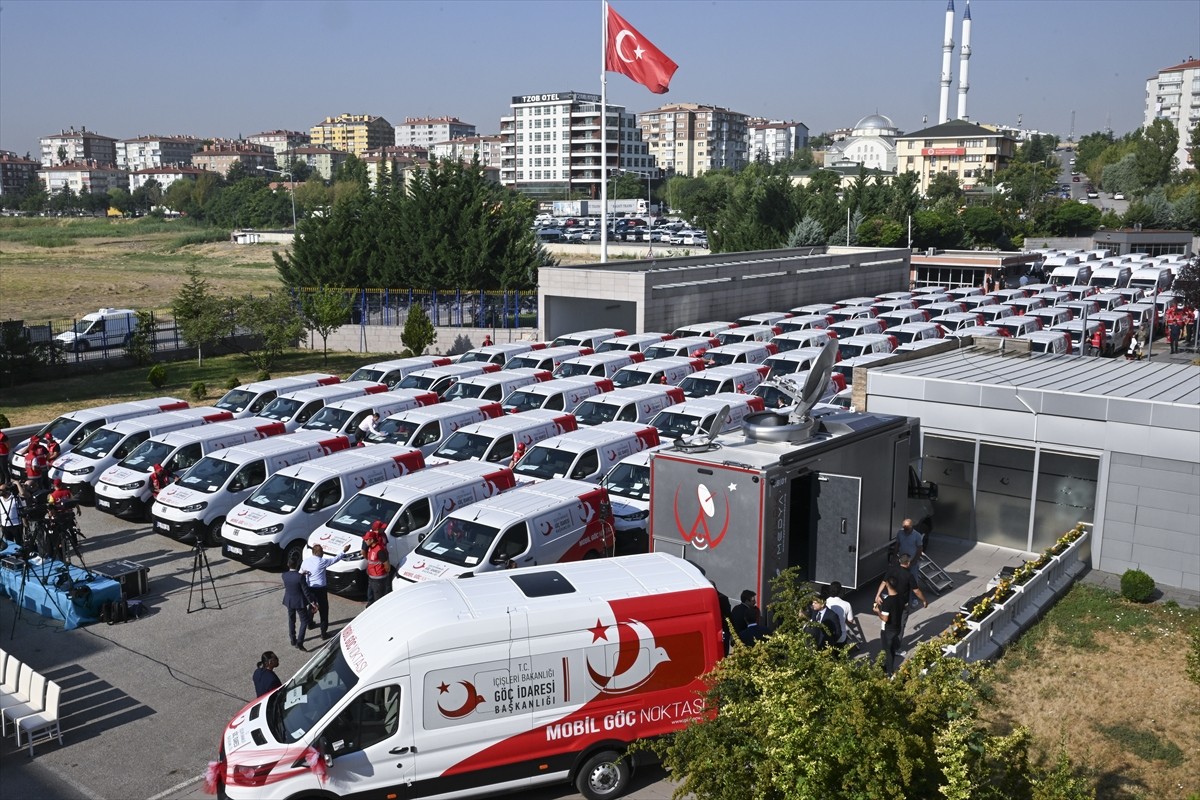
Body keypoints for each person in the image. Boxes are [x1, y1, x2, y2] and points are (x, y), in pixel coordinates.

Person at [300, 542, 351, 640]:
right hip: (321, 590)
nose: (323, 553)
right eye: (322, 551)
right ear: (319, 553)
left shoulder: (305, 561)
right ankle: (323, 633)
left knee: (311, 606)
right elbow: (335, 559)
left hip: (310, 588)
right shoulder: (322, 561)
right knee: (323, 610)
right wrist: (344, 551)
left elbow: (300, 573)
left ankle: (309, 623)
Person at [282, 552, 315, 650]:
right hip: (299, 602)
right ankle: (300, 642)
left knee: (291, 619)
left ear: (288, 564)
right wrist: (312, 602)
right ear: (297, 565)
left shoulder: (284, 575)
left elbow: (292, 579)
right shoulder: (300, 577)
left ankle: (293, 639)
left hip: (289, 600)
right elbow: (306, 591)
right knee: (304, 621)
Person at [874, 575, 904, 676]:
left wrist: (878, 611)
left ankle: (889, 671)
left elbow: (885, 618)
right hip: (897, 627)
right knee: (892, 648)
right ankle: (887, 665)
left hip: (888, 629)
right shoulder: (900, 597)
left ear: (887, 585)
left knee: (888, 650)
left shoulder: (888, 601)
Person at [362, 520, 391, 607]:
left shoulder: (380, 545)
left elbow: (386, 563)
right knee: (371, 590)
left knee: (378, 595)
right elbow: (364, 552)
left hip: (379, 575)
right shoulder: (370, 543)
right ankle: (370, 604)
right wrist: (371, 563)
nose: (384, 529)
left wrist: (385, 570)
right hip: (372, 573)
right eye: (382, 528)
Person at [824, 582, 854, 651]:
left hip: (827, 636)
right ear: (840, 591)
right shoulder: (847, 604)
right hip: (841, 637)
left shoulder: (825, 602)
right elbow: (850, 620)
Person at [894, 518, 924, 583]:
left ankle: (913, 589)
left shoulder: (917, 535)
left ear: (911, 526)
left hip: (913, 560)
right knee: (902, 577)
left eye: (907, 528)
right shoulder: (900, 533)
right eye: (904, 528)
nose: (905, 530)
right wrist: (895, 556)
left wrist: (914, 561)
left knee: (913, 577)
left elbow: (920, 548)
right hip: (903, 559)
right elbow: (897, 544)